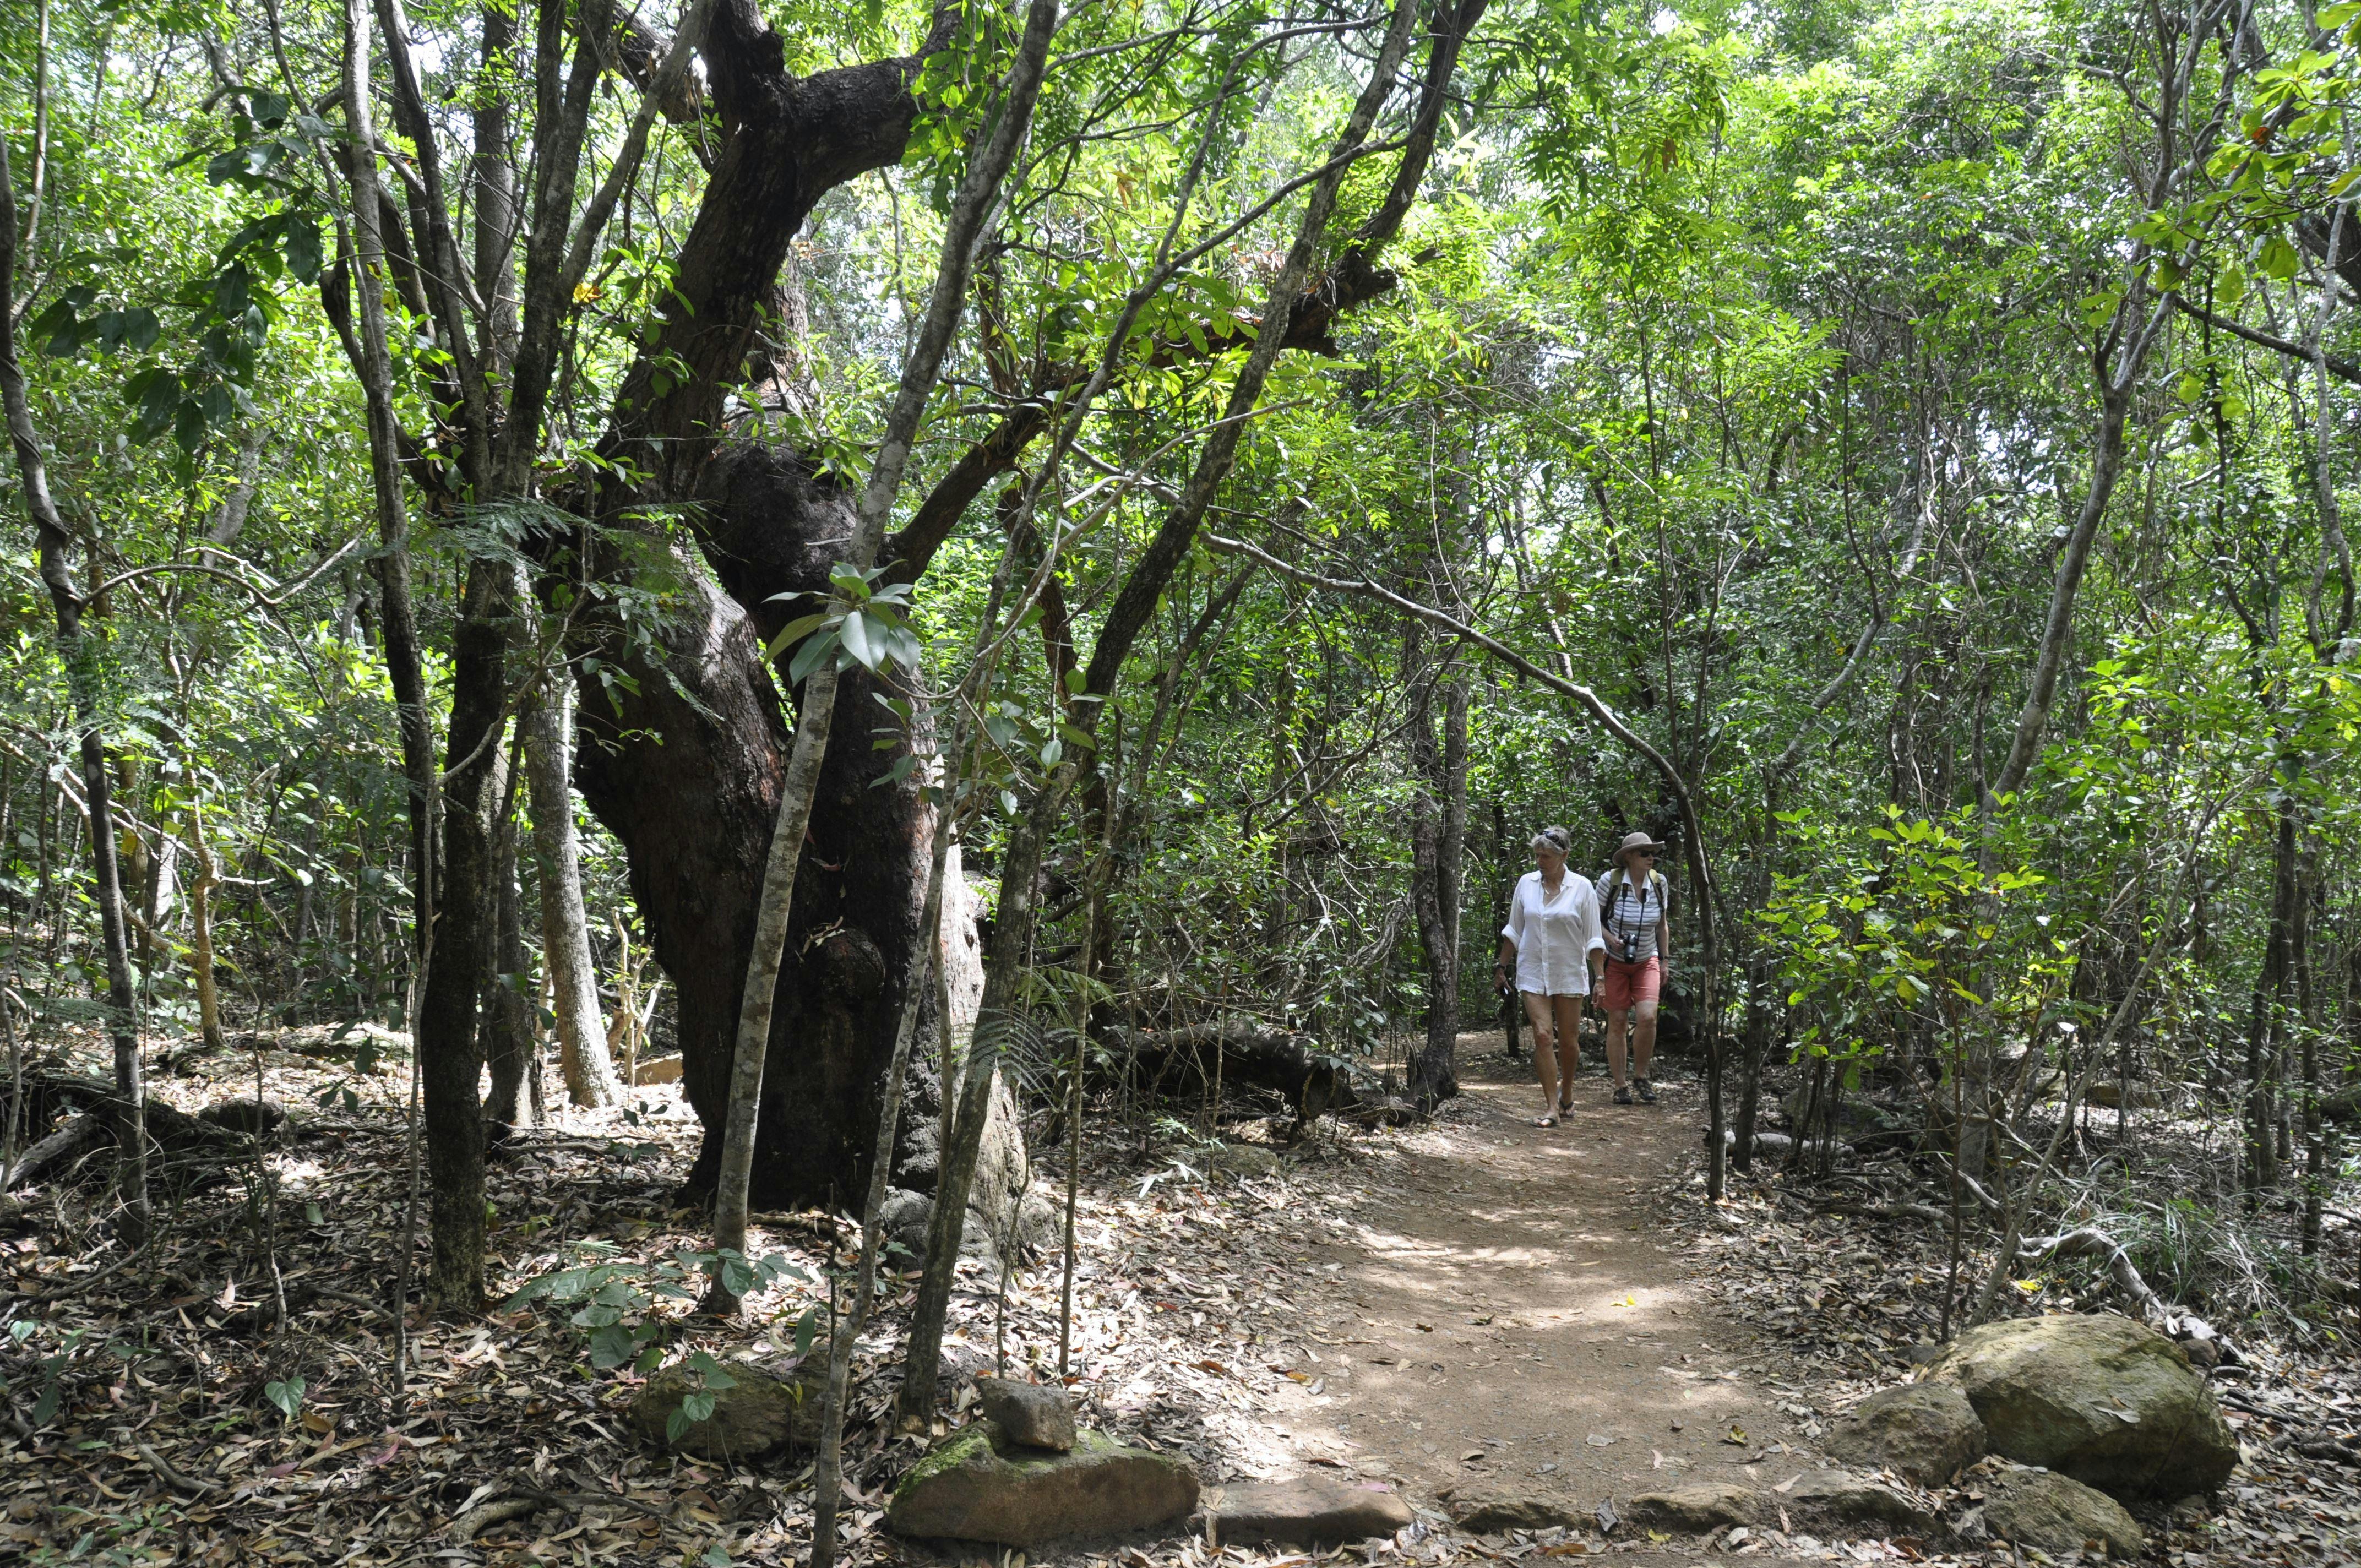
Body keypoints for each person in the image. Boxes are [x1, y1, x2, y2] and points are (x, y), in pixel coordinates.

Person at [1494, 826, 1606, 1127]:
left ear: (1564, 856)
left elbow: (1594, 938)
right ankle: (1552, 1106)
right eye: (1537, 855)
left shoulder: (1582, 887)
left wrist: (1601, 979)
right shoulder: (1526, 884)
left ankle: (1567, 1090)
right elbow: (1514, 930)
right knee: (1543, 1037)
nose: (1540, 861)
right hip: (1533, 972)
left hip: (1568, 972)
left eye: (1546, 856)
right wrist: (1501, 967)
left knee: (1568, 1041)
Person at [1596, 830, 1672, 1106]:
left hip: (1647, 959)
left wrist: (1665, 960)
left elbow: (1662, 924)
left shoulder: (1660, 883)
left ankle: (1641, 1076)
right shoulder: (1610, 881)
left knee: (1648, 1017)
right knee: (1617, 1022)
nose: (1651, 858)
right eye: (1645, 853)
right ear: (1629, 857)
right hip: (1614, 961)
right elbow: (1594, 920)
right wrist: (1611, 940)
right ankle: (1620, 1085)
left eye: (1653, 853)